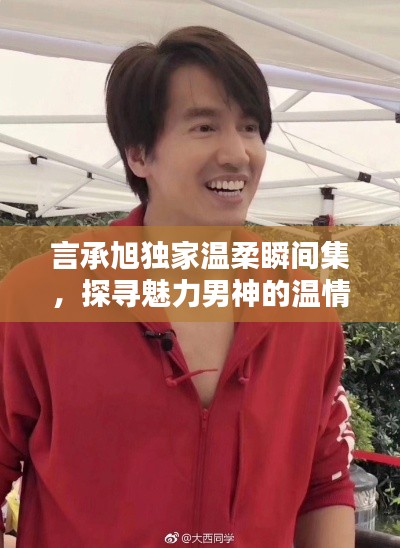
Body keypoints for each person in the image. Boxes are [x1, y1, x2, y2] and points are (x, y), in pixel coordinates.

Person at [0, 26, 355, 547]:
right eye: (204, 127)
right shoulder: (41, 296)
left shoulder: (304, 305)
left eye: (250, 128)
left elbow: (325, 482)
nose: (238, 153)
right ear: (139, 155)